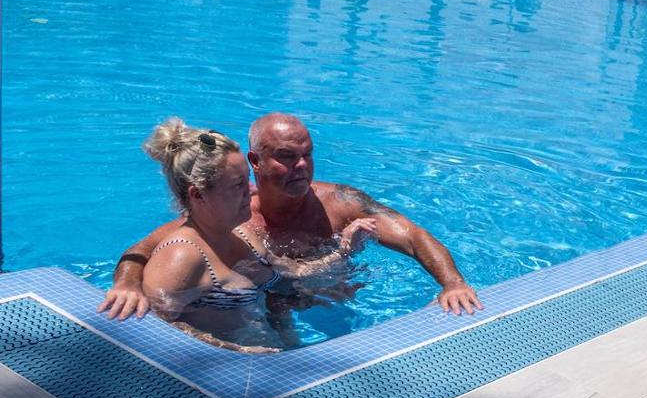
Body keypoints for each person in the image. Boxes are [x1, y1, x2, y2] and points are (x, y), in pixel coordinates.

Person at [100, 113, 481, 322]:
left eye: (307, 154)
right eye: (286, 156)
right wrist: (128, 285)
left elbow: (412, 236)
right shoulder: (231, 216)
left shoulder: (340, 203)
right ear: (255, 162)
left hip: (330, 304)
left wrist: (453, 284)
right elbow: (141, 252)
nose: (302, 166)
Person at [139, 118, 376, 352]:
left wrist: (344, 249)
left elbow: (294, 274)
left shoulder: (244, 236)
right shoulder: (181, 257)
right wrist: (234, 350)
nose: (252, 190)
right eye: (238, 185)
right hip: (232, 369)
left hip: (273, 359)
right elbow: (154, 330)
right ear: (198, 195)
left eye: (248, 180)